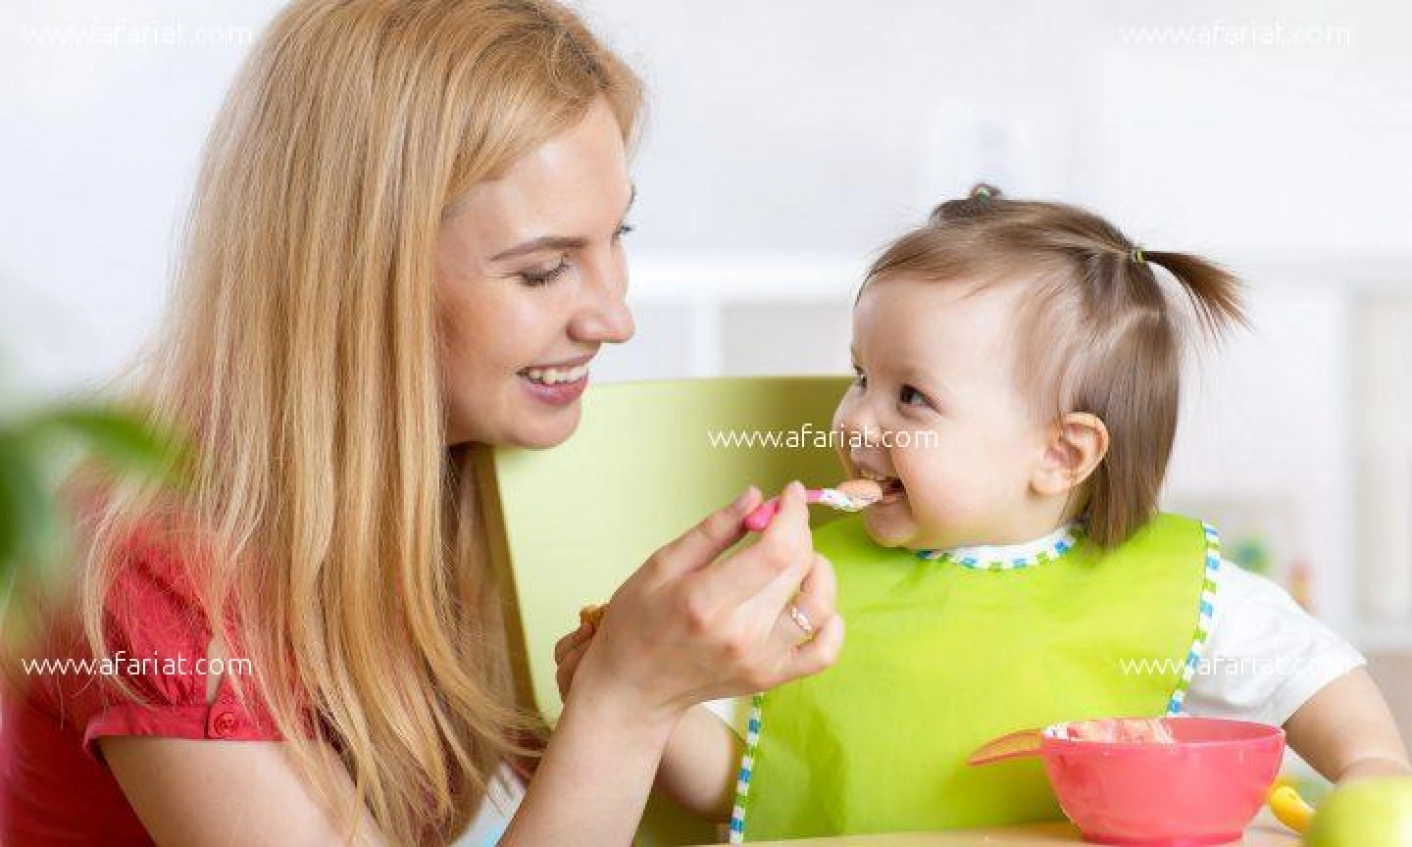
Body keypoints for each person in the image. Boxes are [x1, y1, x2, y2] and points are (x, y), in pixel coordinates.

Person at [0, 2, 842, 844]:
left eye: (616, 235)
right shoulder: (152, 572)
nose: (614, 317)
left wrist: (668, 691)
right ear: (357, 279)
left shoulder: (478, 473)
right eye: (544, 270)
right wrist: (627, 700)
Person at [556, 185, 1412, 842]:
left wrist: (1372, 766)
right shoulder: (804, 586)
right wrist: (639, 701)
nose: (854, 418)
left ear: (1061, 453)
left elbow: (1311, 670)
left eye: (911, 396)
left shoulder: (1173, 587)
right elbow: (749, 780)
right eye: (861, 376)